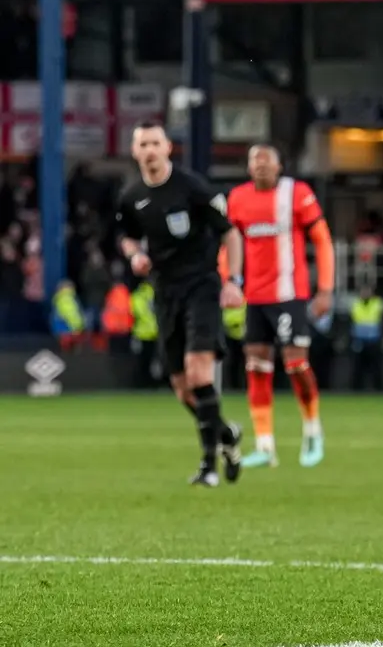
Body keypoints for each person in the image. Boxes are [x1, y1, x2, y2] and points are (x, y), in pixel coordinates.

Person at [115, 121, 244, 487]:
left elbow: (230, 232)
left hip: (202, 286)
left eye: (156, 142)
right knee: (182, 387)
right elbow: (127, 235)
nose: (150, 150)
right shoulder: (132, 196)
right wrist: (134, 255)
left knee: (199, 373)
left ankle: (208, 468)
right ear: (135, 150)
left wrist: (233, 281)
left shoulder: (193, 188)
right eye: (144, 144)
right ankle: (226, 435)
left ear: (168, 147)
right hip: (165, 293)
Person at [226, 145, 335, 469]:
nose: (260, 167)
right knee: (256, 367)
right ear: (247, 168)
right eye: (254, 162)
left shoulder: (296, 193)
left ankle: (313, 431)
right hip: (255, 298)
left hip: (290, 294)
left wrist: (325, 289)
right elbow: (228, 242)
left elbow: (323, 239)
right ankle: (265, 446)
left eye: (266, 162)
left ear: (279, 166)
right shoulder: (238, 199)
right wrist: (229, 280)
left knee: (296, 365)